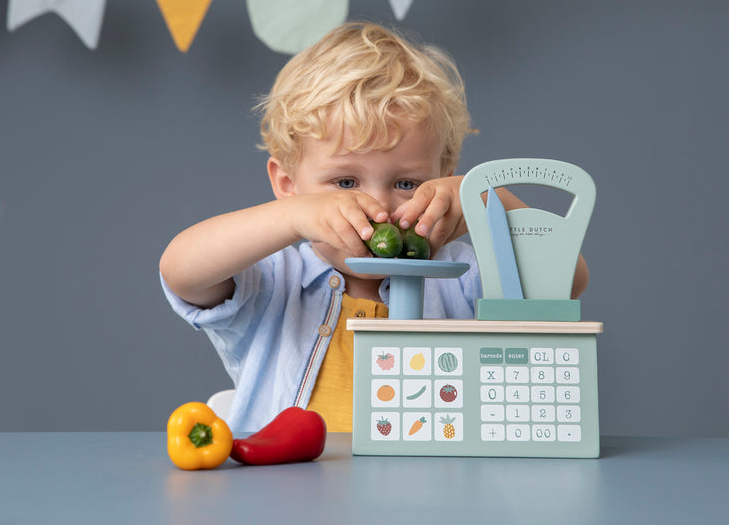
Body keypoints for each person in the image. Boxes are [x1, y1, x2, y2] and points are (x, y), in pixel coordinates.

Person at [159, 22, 588, 433]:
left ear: (442, 179)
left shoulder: (460, 277)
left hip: (425, 497)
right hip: (287, 501)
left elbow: (566, 283)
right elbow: (180, 270)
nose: (378, 206)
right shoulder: (272, 283)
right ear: (288, 186)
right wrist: (294, 218)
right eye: (345, 182)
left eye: (407, 184)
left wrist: (488, 198)